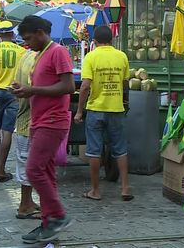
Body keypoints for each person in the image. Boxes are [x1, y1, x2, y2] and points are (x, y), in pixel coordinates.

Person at [13, 15, 75, 244]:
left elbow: (68, 86)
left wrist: (33, 90)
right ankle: (49, 224)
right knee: (46, 174)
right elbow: (43, 86)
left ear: (40, 32)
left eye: (29, 38)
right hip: (38, 121)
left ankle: (58, 216)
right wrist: (26, 89)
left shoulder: (57, 51)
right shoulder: (40, 55)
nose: (27, 43)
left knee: (33, 170)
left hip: (52, 121)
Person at [74, 26, 133, 201]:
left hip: (96, 109)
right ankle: (125, 188)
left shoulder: (91, 57)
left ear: (94, 41)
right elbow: (125, 83)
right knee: (120, 149)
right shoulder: (121, 56)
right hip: (116, 109)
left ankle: (96, 191)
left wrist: (79, 111)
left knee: (93, 150)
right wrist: (123, 101)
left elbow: (85, 86)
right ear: (112, 40)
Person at [0, 21, 25, 182]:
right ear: (12, 34)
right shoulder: (21, 51)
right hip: (13, 92)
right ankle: (1, 168)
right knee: (7, 131)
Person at [12, 48, 41, 219]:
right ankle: (25, 205)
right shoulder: (37, 59)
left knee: (26, 163)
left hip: (24, 119)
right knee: (32, 165)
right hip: (32, 121)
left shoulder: (25, 56)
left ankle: (27, 202)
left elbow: (16, 84)